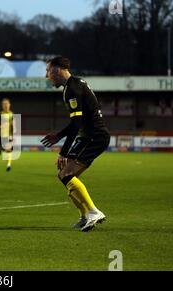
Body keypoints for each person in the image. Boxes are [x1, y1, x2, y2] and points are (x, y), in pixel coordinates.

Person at [41, 56, 110, 232]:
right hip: (88, 136)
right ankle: (85, 215)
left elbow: (76, 123)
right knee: (64, 175)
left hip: (94, 136)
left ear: (57, 70)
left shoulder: (72, 89)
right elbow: (76, 123)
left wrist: (63, 152)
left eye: (48, 71)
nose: (47, 76)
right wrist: (59, 135)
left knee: (66, 174)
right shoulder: (75, 84)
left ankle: (93, 212)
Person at [0, 98, 14, 172]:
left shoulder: (11, 114)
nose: (6, 105)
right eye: (4, 104)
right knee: (1, 148)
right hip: (1, 135)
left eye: (7, 103)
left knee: (8, 149)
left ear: (9, 105)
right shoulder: (0, 113)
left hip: (9, 134)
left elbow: (13, 124)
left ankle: (8, 165)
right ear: (2, 105)